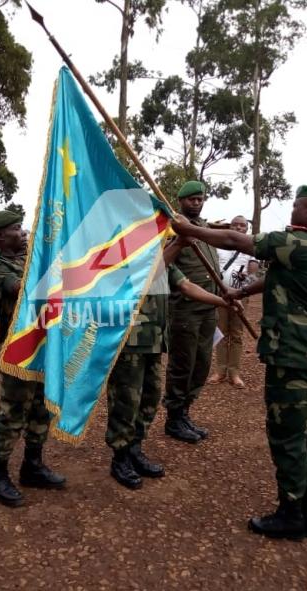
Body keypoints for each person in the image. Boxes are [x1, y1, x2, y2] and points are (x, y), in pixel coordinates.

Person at [172, 183, 307, 541]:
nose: (292, 212)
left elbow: (237, 242)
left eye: (296, 207)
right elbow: (284, 274)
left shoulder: (296, 241)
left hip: (297, 356)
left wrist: (187, 230)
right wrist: (242, 291)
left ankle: (291, 514)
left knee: (289, 435)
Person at [107, 236, 235, 489]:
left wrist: (223, 301)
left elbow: (186, 286)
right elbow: (148, 274)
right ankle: (120, 457)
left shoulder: (160, 256)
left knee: (150, 398)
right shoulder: (123, 256)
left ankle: (135, 449)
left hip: (154, 341)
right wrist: (177, 245)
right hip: (129, 341)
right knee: (125, 401)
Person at [0, 210, 65, 508]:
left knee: (42, 408)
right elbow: (22, 290)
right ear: (0, 236)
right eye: (17, 229)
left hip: (44, 346)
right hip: (17, 352)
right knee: (12, 413)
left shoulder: (29, 257)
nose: (24, 232)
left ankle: (33, 465)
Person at [163, 180, 221, 443]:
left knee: (202, 364)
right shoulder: (172, 228)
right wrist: (178, 239)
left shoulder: (205, 228)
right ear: (181, 201)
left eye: (200, 199)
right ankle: (173, 419)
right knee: (182, 365)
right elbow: (161, 262)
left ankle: (185, 411)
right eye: (191, 200)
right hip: (185, 309)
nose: (196, 203)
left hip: (209, 307)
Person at [209, 215, 254, 388]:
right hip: (220, 295)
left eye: (242, 226)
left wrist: (245, 283)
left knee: (236, 334)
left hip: (241, 296)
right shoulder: (219, 247)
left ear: (246, 229)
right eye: (235, 225)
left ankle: (234, 373)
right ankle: (220, 371)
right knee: (221, 332)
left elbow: (255, 274)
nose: (238, 228)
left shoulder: (250, 248)